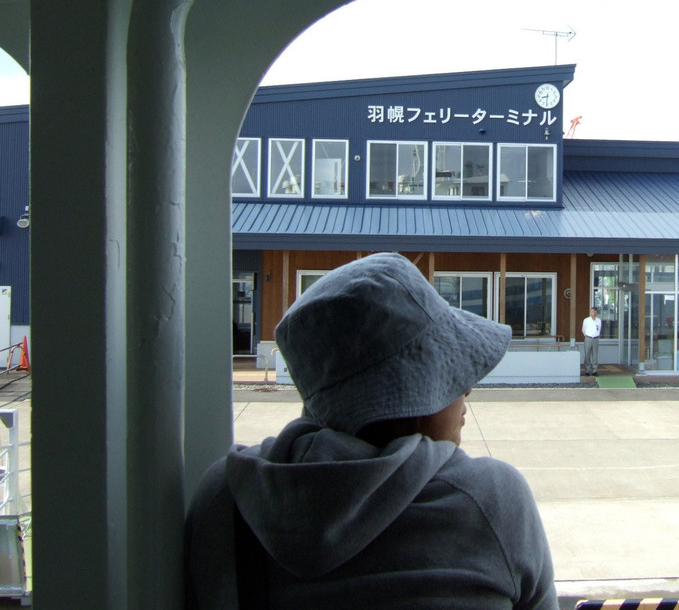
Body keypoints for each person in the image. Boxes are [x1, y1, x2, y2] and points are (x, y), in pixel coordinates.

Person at [185, 253, 558, 610]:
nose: (466, 388)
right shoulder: (493, 502)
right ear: (411, 398)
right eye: (449, 370)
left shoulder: (228, 498)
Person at [581, 306, 602, 377]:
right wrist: (587, 336)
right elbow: (583, 330)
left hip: (595, 339)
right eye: (591, 312)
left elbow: (599, 330)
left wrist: (596, 336)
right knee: (587, 354)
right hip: (588, 338)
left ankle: (595, 370)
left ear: (596, 313)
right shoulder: (586, 320)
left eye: (594, 312)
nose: (592, 313)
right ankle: (587, 370)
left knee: (595, 355)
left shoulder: (598, 320)